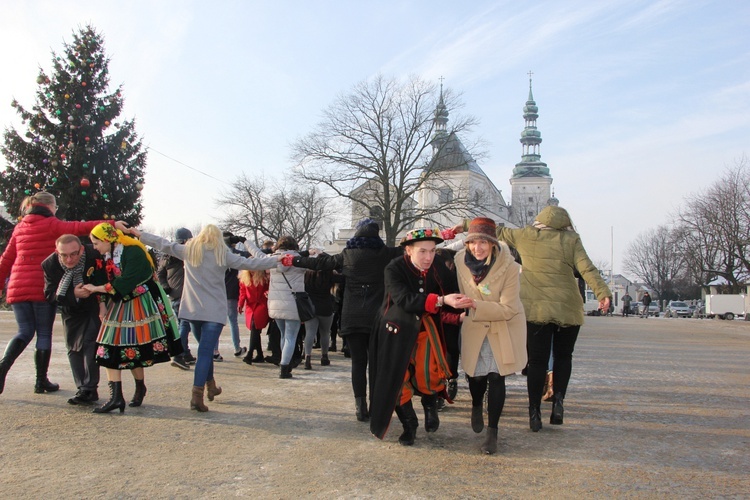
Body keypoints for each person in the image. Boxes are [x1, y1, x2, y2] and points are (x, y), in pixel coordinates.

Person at [454, 206, 611, 432]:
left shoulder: (526, 235)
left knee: (537, 361)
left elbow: (497, 231)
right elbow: (587, 268)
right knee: (564, 357)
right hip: (568, 307)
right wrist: (602, 293)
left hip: (536, 308)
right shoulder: (571, 240)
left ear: (540, 220)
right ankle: (558, 401)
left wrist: (466, 224)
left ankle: (534, 411)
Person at [131, 224, 281, 411]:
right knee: (205, 353)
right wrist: (279, 260)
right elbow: (252, 263)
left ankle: (211, 387)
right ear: (218, 239)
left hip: (192, 311)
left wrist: (140, 234)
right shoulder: (222, 254)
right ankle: (197, 396)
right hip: (214, 312)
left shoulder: (189, 251)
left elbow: (164, 244)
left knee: (205, 352)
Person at [0, 191, 125, 396]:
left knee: (24, 331)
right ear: (50, 207)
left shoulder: (19, 228)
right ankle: (41, 381)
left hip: (17, 287)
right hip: (42, 287)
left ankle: (3, 365)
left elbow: (5, 259)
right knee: (43, 334)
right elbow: (78, 227)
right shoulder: (51, 224)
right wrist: (112, 224)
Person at [281, 219, 404, 421]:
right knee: (375, 364)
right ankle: (375, 406)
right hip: (378, 317)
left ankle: (359, 406)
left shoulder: (347, 255)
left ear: (357, 235)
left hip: (352, 315)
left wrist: (293, 261)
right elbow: (410, 249)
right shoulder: (387, 254)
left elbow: (320, 263)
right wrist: (446, 237)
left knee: (358, 363)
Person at [369, 228, 469, 446]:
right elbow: (404, 299)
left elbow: (453, 294)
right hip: (395, 330)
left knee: (430, 371)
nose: (428, 257)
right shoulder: (394, 268)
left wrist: (458, 316)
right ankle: (409, 423)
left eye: (433, 251)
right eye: (422, 251)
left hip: (427, 328)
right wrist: (442, 301)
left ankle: (430, 405)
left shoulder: (439, 266)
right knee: (397, 379)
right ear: (408, 250)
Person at [83, 223, 181, 413]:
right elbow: (102, 278)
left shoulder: (133, 252)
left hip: (140, 303)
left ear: (107, 240)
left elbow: (126, 282)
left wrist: (96, 289)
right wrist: (102, 301)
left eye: (96, 243)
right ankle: (116, 396)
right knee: (107, 348)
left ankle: (139, 386)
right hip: (118, 302)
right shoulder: (106, 255)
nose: (94, 247)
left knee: (134, 348)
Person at [453, 218, 527, 454]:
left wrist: (474, 303)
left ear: (493, 244)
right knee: (476, 378)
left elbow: (508, 308)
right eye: (473, 242)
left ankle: (492, 433)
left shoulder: (510, 268)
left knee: (497, 376)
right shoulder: (459, 263)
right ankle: (476, 404)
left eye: (484, 242)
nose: (478, 248)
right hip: (475, 325)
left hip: (502, 325)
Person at [42, 235, 103, 405]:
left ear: (82, 249)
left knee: (90, 343)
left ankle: (90, 388)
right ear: (57, 252)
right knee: (73, 347)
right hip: (70, 308)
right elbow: (49, 294)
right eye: (64, 255)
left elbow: (107, 276)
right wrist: (73, 294)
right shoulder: (50, 265)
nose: (69, 259)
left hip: (94, 304)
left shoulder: (94, 253)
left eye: (74, 254)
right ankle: (82, 388)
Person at [246, 236, 306, 379]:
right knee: (291, 337)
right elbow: (317, 261)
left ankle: (282, 362)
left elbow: (257, 253)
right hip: (293, 303)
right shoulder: (299, 260)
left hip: (275, 304)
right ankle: (285, 368)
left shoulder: (271, 259)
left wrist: (245, 241)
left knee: (284, 335)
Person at [156, 227, 196, 370]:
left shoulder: (167, 254)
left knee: (181, 324)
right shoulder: (184, 253)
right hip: (184, 293)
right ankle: (178, 355)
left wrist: (165, 286)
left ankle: (185, 353)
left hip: (174, 293)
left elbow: (160, 273)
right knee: (184, 325)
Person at [302, 258, 336, 369]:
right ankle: (324, 356)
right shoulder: (328, 275)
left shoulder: (306, 276)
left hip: (311, 307)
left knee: (310, 332)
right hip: (326, 306)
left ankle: (307, 357)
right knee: (325, 332)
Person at [223, 232, 248, 358]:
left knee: (215, 322)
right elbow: (249, 255)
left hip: (218, 291)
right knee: (233, 321)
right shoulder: (236, 254)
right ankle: (236, 347)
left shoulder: (216, 254)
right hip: (231, 291)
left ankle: (215, 351)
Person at [237, 269, 270, 364]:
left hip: (261, 304)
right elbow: (242, 292)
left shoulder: (263, 277)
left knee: (255, 327)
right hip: (250, 306)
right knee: (255, 329)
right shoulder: (244, 278)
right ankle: (260, 355)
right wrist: (240, 304)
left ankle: (250, 353)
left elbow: (268, 288)